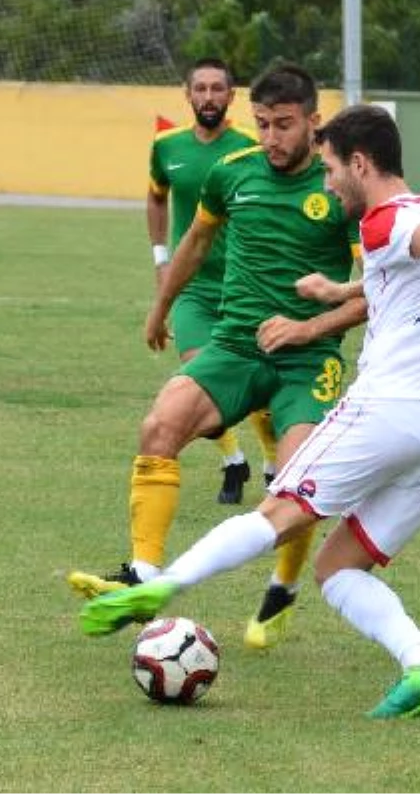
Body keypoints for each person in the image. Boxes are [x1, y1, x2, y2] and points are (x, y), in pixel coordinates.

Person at [79, 103, 420, 719]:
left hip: (390, 410)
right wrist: (339, 291)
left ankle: (159, 586)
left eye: (330, 169)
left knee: (278, 511)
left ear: (361, 163)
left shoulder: (387, 220)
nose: (325, 183)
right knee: (339, 568)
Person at [69, 63, 367, 651]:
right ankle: (144, 575)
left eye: (284, 125)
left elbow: (378, 289)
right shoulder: (233, 174)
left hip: (307, 362)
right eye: (263, 125)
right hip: (235, 345)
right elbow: (197, 240)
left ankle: (281, 590)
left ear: (314, 121)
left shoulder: (339, 188)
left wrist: (309, 329)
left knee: (295, 484)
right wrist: (161, 307)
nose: (272, 138)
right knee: (159, 425)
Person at [145, 58, 278, 505]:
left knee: (257, 386)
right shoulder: (166, 146)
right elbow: (156, 196)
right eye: (199, 88)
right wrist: (162, 258)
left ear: (231, 95)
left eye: (216, 88)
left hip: (245, 286)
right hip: (195, 289)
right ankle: (231, 458)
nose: (207, 97)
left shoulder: (252, 149)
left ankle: (272, 465)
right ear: (187, 94)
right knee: (199, 377)